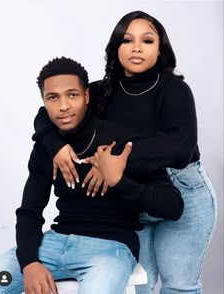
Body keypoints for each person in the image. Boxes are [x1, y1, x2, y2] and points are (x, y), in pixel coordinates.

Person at [32, 11, 217, 294]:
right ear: (115, 47)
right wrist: (54, 144)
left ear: (160, 48)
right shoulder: (101, 92)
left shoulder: (176, 91)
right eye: (127, 40)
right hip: (128, 194)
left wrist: (112, 160)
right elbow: (51, 112)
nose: (137, 47)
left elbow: (181, 147)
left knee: (179, 285)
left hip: (183, 192)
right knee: (136, 285)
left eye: (147, 40)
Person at [0, 57, 184, 294]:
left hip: (109, 251)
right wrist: (29, 263)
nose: (63, 106)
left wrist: (118, 181)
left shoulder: (121, 141)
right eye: (53, 97)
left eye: (72, 95)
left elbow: (173, 206)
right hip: (52, 244)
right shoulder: (46, 146)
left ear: (87, 96)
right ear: (44, 102)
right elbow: (30, 211)